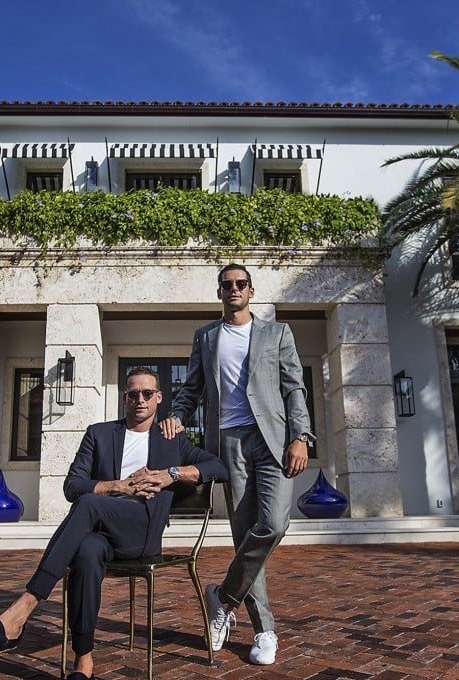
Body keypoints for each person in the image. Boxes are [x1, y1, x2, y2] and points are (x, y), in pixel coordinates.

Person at [0, 366, 228, 680]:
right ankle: (83, 664)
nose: (139, 400)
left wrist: (169, 474)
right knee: (85, 552)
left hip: (141, 534)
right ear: (124, 397)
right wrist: (116, 486)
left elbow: (218, 467)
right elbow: (72, 485)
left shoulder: (171, 440)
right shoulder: (99, 433)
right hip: (100, 533)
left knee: (87, 504)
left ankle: (23, 608)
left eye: (146, 394)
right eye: (132, 394)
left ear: (158, 397)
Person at [160, 263, 314, 666]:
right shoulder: (206, 336)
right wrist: (177, 413)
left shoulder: (277, 333)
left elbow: (294, 388)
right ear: (220, 292)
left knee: (275, 524)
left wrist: (301, 436)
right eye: (227, 285)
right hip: (227, 442)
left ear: (251, 290)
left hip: (273, 441)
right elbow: (192, 387)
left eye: (240, 284)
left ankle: (223, 596)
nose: (234, 289)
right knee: (246, 532)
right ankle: (264, 629)